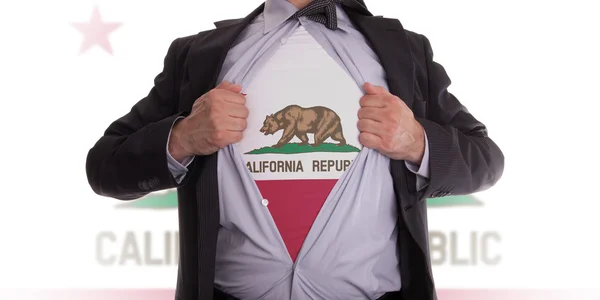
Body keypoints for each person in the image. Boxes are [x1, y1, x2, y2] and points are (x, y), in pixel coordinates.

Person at [85, 0, 504, 299]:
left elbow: (486, 159)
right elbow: (105, 167)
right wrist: (182, 138)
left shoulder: (407, 52)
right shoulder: (196, 55)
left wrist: (418, 141)